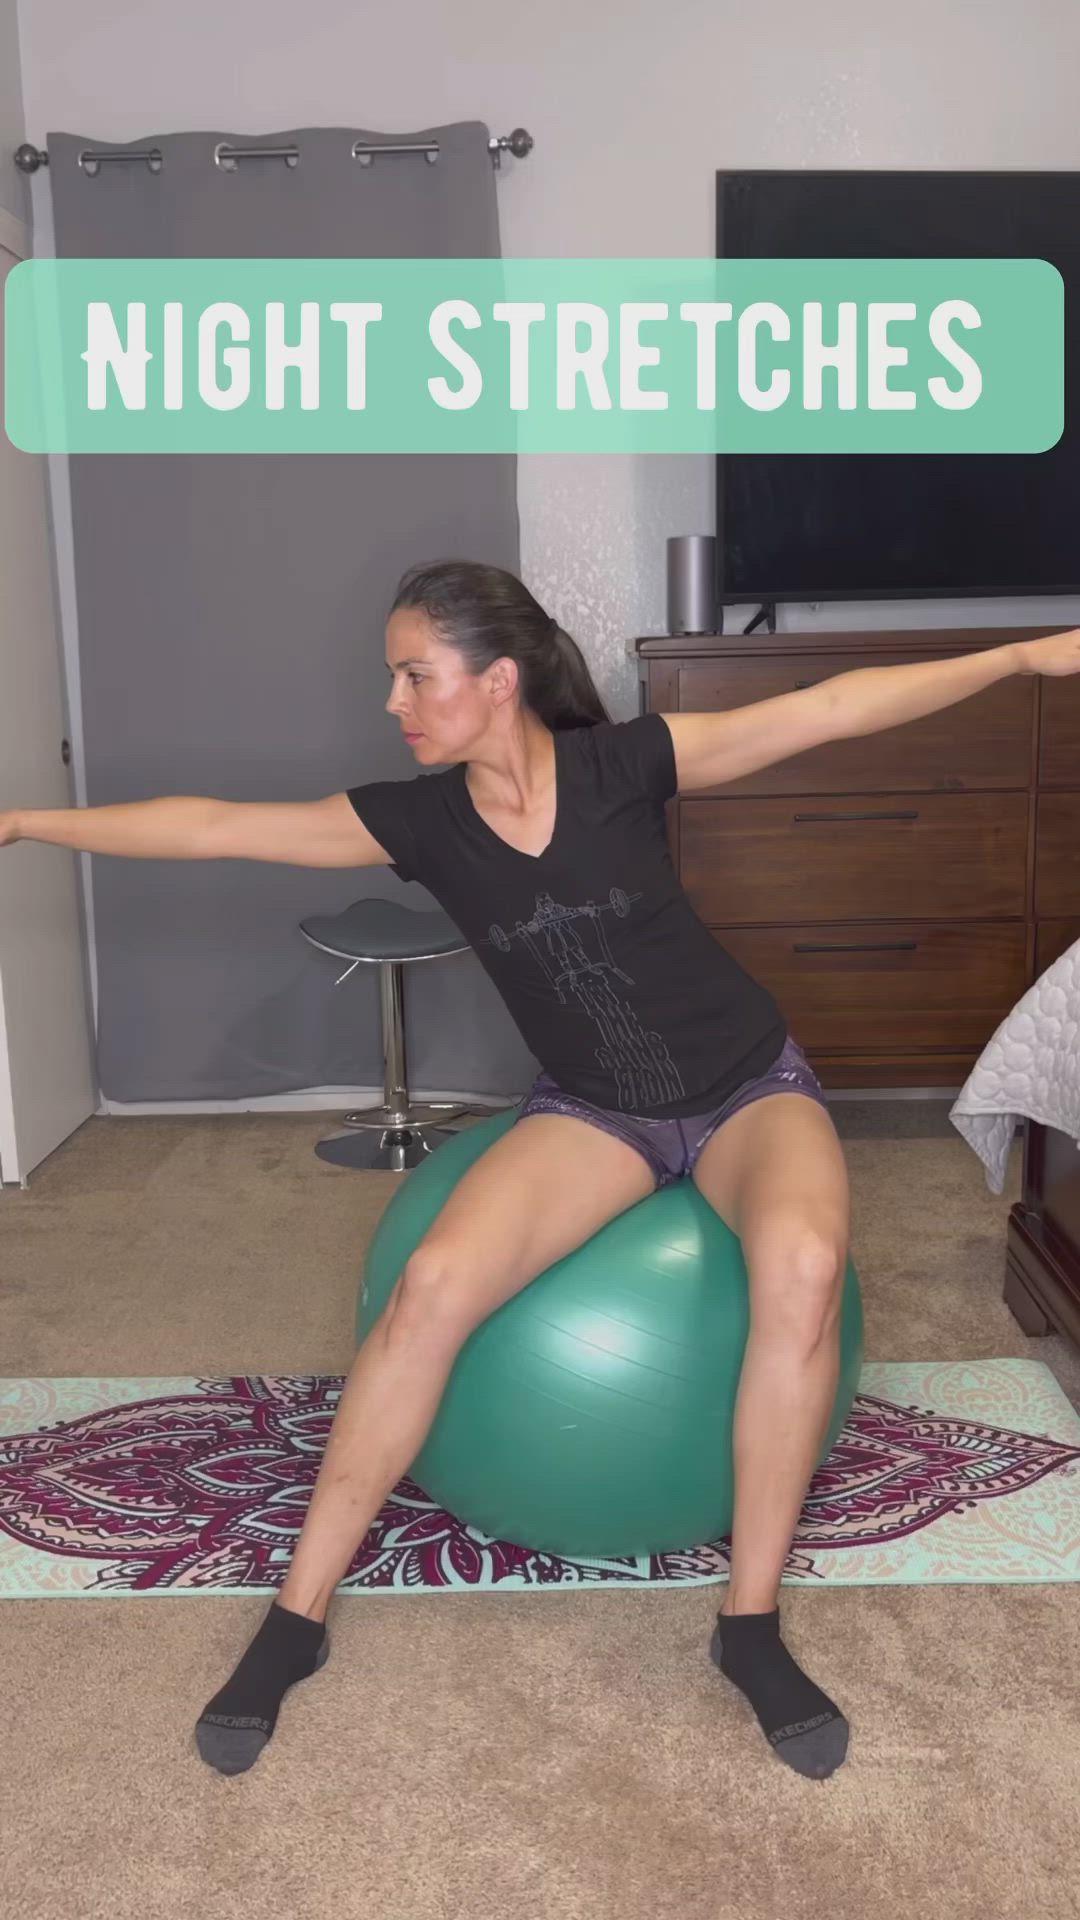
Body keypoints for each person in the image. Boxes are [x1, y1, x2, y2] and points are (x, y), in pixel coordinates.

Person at [4, 561, 1078, 1785]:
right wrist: (26, 821)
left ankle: (750, 1626)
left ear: (496, 679)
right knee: (432, 1290)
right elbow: (212, 827)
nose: (395, 700)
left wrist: (1019, 659)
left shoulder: (626, 767)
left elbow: (827, 709)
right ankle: (295, 1618)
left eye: (415, 673)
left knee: (805, 1265)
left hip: (745, 1086)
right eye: (393, 677)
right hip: (596, 1113)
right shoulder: (417, 822)